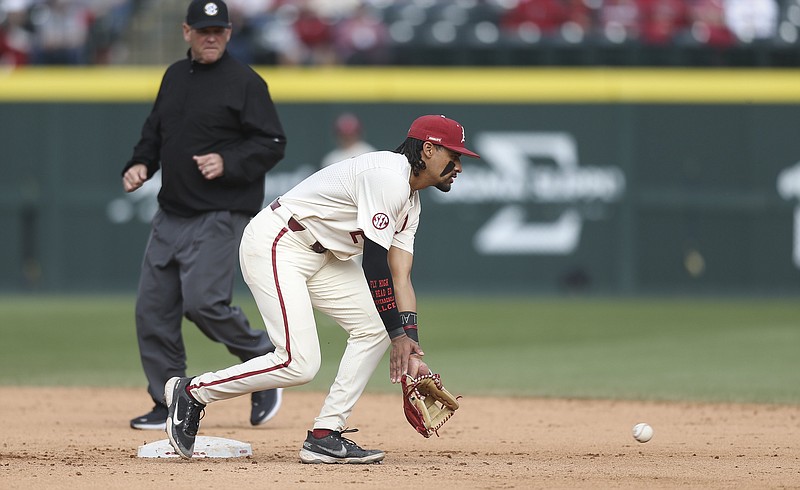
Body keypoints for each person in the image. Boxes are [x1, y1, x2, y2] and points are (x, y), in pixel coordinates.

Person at [163, 114, 480, 463]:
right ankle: (193, 392)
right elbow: (374, 265)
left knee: (376, 328)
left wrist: (411, 346)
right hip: (280, 241)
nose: (460, 166)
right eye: (455, 155)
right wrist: (398, 335)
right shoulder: (390, 178)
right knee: (298, 364)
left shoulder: (411, 204)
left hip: (323, 256)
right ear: (430, 149)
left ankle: (325, 434)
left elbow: (400, 275)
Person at [121, 0, 287, 431]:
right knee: (152, 311)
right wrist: (140, 163)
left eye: (218, 30)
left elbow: (271, 142)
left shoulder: (245, 82)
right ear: (186, 32)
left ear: (230, 33)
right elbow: (155, 131)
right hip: (171, 212)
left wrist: (227, 162)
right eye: (202, 30)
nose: (211, 37)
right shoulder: (175, 76)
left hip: (221, 212)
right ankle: (168, 399)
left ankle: (261, 362)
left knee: (204, 303)